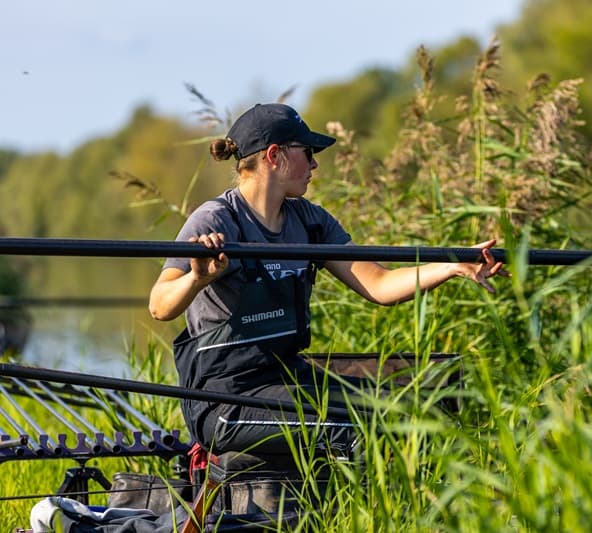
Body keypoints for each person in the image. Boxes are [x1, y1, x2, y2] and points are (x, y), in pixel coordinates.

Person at [149, 103, 508, 456]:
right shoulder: (215, 220)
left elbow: (380, 285)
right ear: (275, 156)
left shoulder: (309, 221)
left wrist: (451, 265)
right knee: (355, 431)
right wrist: (196, 279)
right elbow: (160, 305)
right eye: (307, 152)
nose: (315, 163)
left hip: (290, 379)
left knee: (412, 411)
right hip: (225, 400)